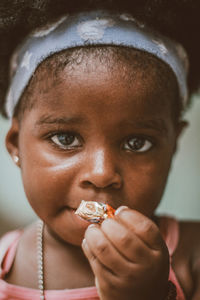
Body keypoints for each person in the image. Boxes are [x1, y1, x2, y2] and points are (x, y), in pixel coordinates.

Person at [0, 1, 200, 299]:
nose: (102, 173)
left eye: (137, 143)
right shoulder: (6, 264)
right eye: (65, 139)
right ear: (16, 144)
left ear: (173, 146)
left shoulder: (192, 256)